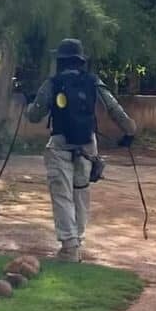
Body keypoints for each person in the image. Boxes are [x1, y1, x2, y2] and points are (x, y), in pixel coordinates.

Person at [25, 38, 137, 262]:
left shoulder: (53, 83)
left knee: (62, 195)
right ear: (80, 61)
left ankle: (69, 246)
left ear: (61, 61)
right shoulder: (93, 82)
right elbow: (114, 108)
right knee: (81, 193)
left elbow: (34, 115)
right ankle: (78, 241)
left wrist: (30, 104)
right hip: (87, 145)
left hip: (60, 144)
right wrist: (129, 131)